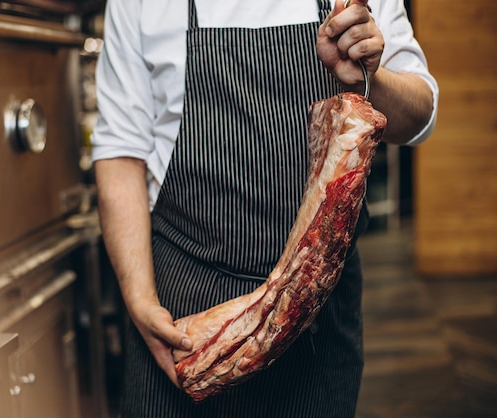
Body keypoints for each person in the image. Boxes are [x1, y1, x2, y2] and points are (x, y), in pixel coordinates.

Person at [91, 0, 438, 416]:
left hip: (314, 314)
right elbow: (120, 152)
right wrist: (140, 301)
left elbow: (420, 115)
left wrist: (370, 76)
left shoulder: (353, 6)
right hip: (183, 311)